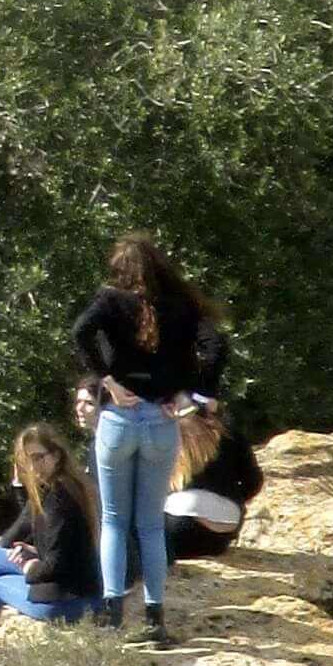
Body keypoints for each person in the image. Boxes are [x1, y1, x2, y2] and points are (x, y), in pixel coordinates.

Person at [72, 233, 225, 642]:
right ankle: (155, 618)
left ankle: (112, 612)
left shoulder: (110, 301)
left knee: (114, 522)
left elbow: (80, 332)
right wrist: (193, 393)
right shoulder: (182, 305)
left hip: (119, 418)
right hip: (161, 418)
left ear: (120, 270)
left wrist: (105, 379)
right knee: (151, 525)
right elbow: (215, 347)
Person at [0, 423, 99, 623]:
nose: (31, 467)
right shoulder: (61, 486)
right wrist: (31, 552)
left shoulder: (59, 496)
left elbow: (55, 566)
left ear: (56, 456)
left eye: (38, 458)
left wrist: (29, 568)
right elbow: (22, 534)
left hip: (65, 602)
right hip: (79, 592)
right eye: (25, 461)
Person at [166, 409, 264, 566]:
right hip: (222, 532)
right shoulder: (228, 429)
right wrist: (236, 498)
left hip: (178, 527)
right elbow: (254, 482)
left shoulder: (164, 430)